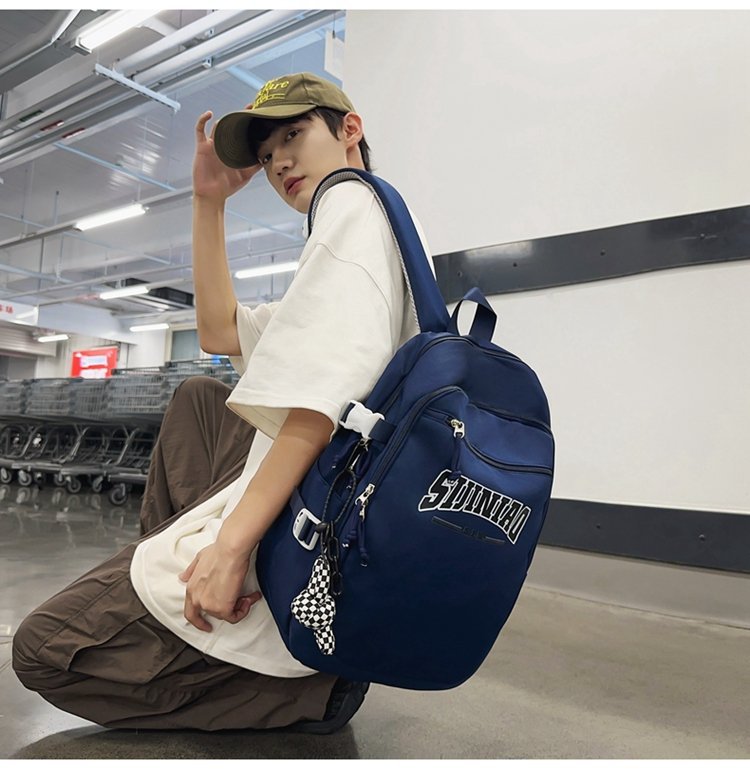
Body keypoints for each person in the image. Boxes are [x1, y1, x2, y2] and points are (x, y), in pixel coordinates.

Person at [12, 72, 436, 733]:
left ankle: (300, 691)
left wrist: (233, 545)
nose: (279, 162)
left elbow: (319, 406)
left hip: (321, 521)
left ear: (349, 130)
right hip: (341, 493)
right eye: (266, 156)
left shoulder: (351, 208)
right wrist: (208, 203)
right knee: (200, 400)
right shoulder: (374, 227)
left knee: (43, 651)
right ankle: (188, 593)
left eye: (293, 135)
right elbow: (219, 330)